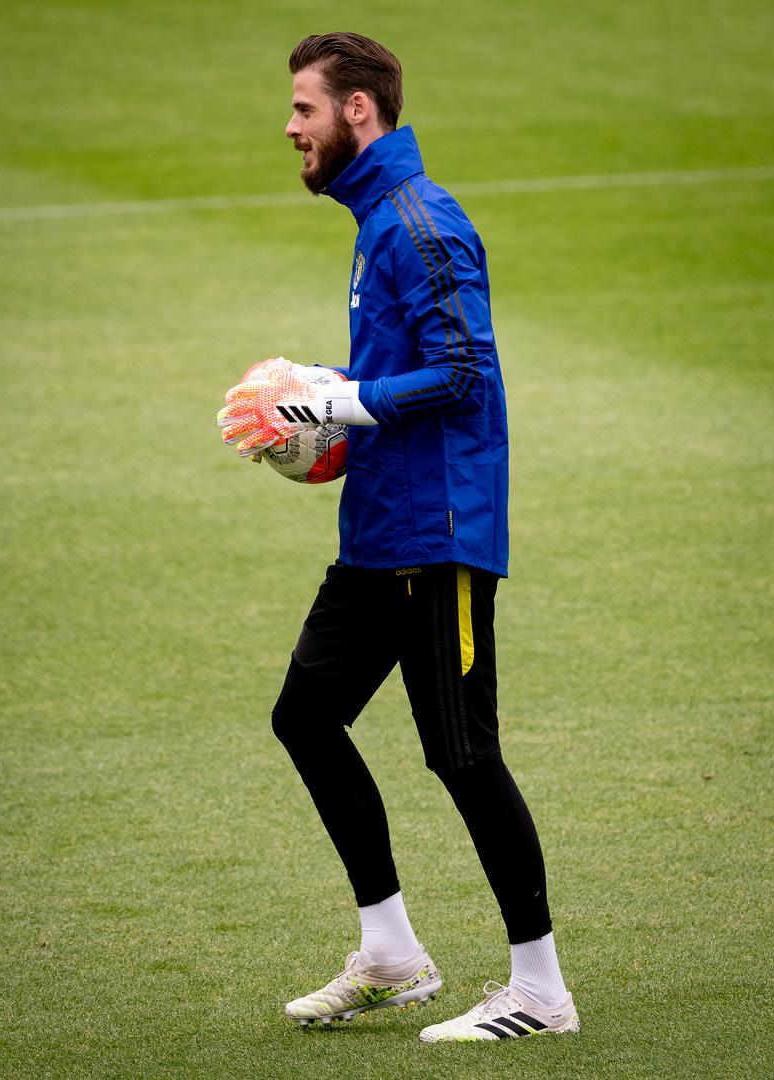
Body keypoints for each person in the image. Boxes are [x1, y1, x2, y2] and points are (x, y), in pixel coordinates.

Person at [217, 32, 580, 1045]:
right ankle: (390, 953)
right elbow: (401, 371)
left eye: (304, 108)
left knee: (462, 755)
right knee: (306, 716)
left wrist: (340, 399)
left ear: (357, 113)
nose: (290, 126)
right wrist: (321, 400)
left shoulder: (420, 225)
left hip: (440, 534)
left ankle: (540, 990)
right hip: (380, 534)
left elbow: (465, 373)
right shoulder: (379, 217)